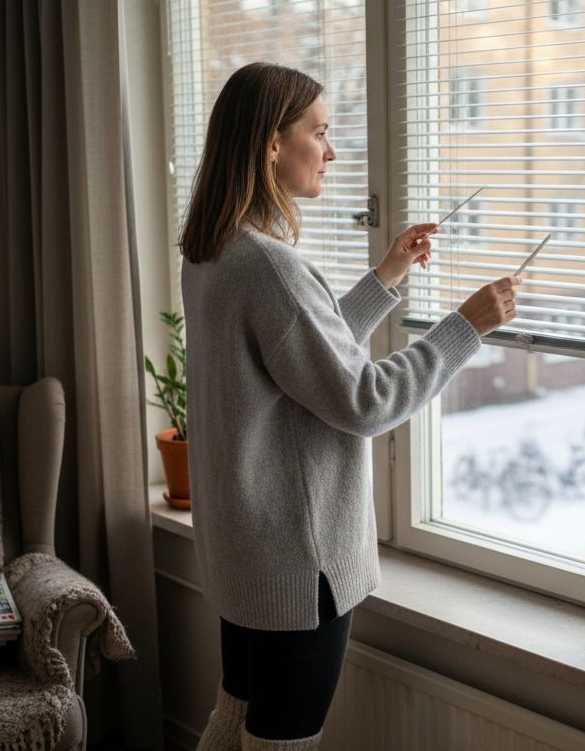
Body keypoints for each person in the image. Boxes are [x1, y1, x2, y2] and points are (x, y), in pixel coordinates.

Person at [180, 62, 518, 751]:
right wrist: (465, 328)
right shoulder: (270, 266)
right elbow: (362, 399)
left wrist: (387, 275)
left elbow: (297, 357)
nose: (331, 152)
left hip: (246, 557)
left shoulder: (214, 249)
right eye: (320, 132)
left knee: (234, 722)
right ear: (271, 144)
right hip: (297, 566)